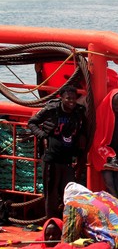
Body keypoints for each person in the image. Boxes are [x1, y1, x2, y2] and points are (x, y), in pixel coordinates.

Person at [27, 85, 87, 218]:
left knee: (69, 192)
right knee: (51, 193)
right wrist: (42, 135)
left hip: (67, 159)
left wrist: (82, 139)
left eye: (73, 98)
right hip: (51, 158)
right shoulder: (51, 109)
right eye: (68, 98)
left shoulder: (78, 111)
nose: (71, 101)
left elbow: (85, 127)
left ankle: (67, 220)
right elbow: (32, 122)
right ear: (61, 98)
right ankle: (52, 222)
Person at [90, 89, 118, 201]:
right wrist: (110, 155)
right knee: (109, 183)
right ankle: (115, 208)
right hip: (106, 155)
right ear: (110, 102)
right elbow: (98, 138)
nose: (117, 107)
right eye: (115, 104)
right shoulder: (103, 113)